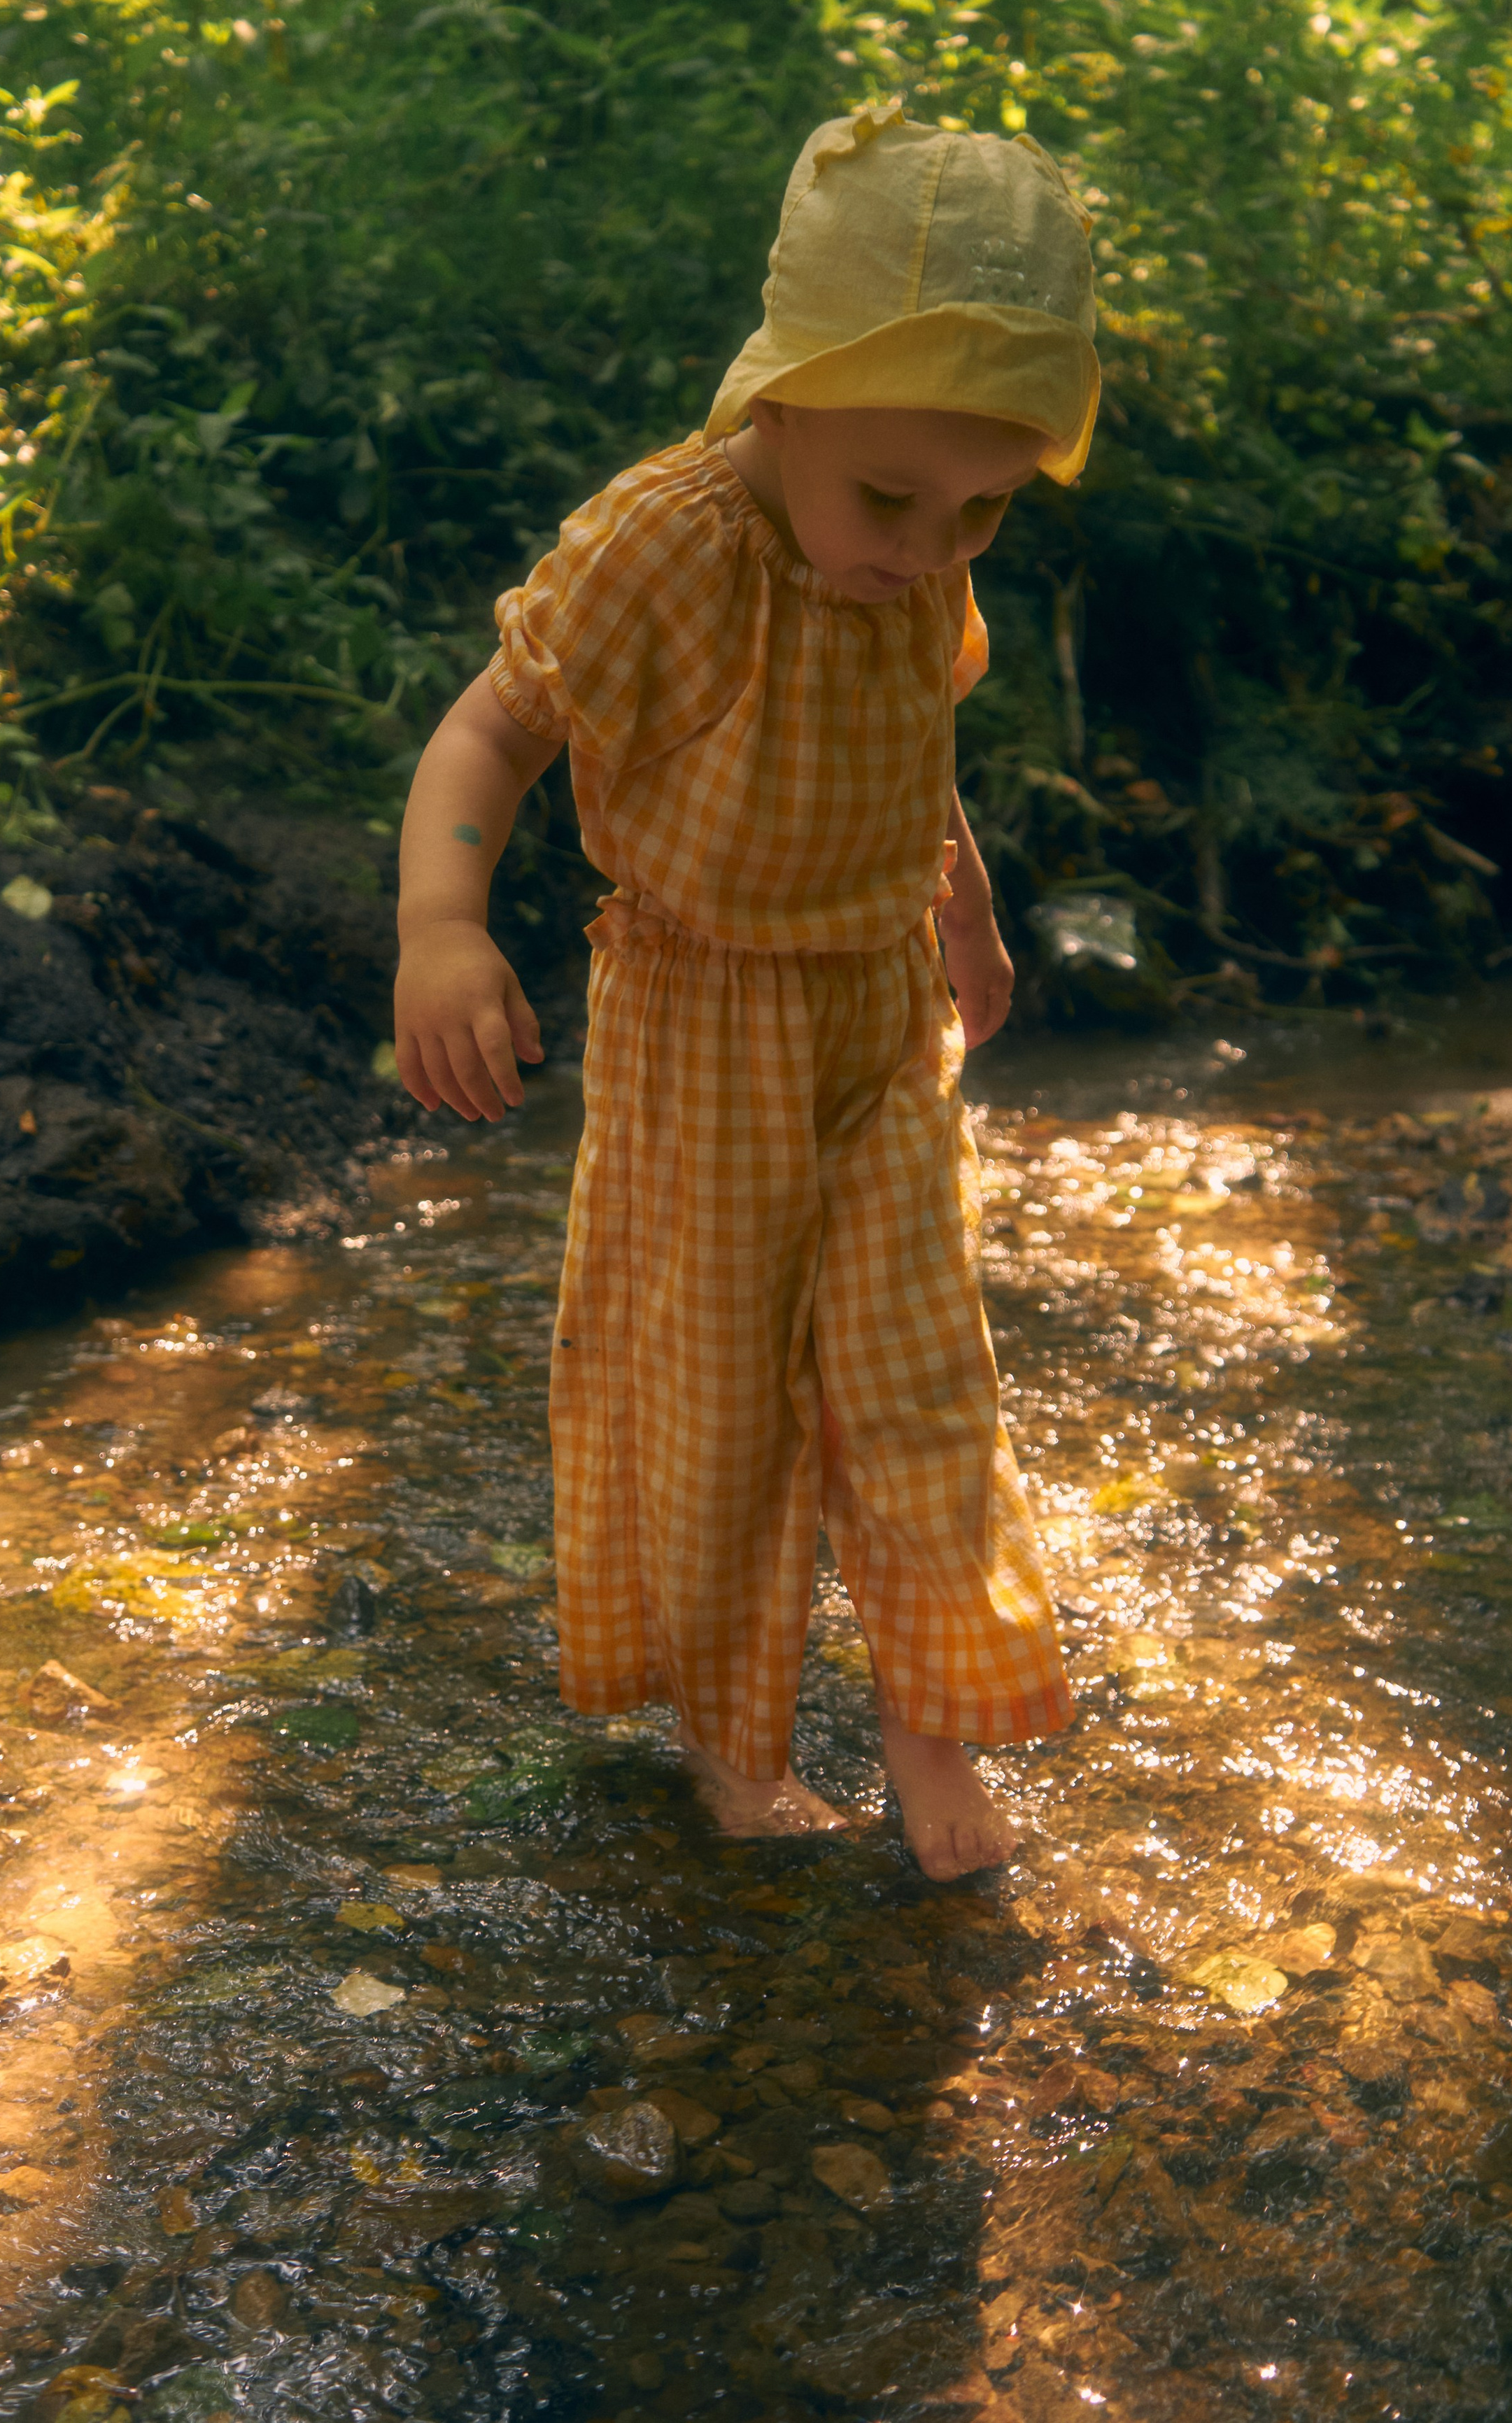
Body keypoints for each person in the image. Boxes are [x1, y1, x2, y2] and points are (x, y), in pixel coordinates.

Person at [393, 101, 1096, 1878]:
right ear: (778, 404)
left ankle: (931, 1729)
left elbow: (911, 743)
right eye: (892, 497)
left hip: (877, 1008)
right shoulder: (670, 544)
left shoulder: (912, 558)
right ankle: (732, 1742)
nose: (928, 545)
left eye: (983, 509)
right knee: (713, 1389)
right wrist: (441, 927)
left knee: (917, 1370)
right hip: (700, 1021)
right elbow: (490, 732)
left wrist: (965, 911)